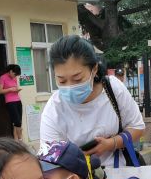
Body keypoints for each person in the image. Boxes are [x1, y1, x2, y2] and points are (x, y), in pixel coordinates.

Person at [40, 35, 145, 167]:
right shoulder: (54, 108)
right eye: (61, 80)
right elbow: (49, 159)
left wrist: (110, 144)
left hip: (118, 176)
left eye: (77, 79)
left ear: (94, 69)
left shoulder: (112, 88)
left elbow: (137, 127)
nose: (69, 86)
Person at [0, 64, 23, 140]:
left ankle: (16, 141)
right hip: (10, 102)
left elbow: (15, 87)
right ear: (11, 71)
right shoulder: (2, 77)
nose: (15, 76)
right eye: (15, 74)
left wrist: (16, 90)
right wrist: (10, 89)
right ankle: (20, 139)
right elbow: (0, 91)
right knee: (17, 122)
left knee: (18, 123)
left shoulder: (14, 78)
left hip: (18, 100)